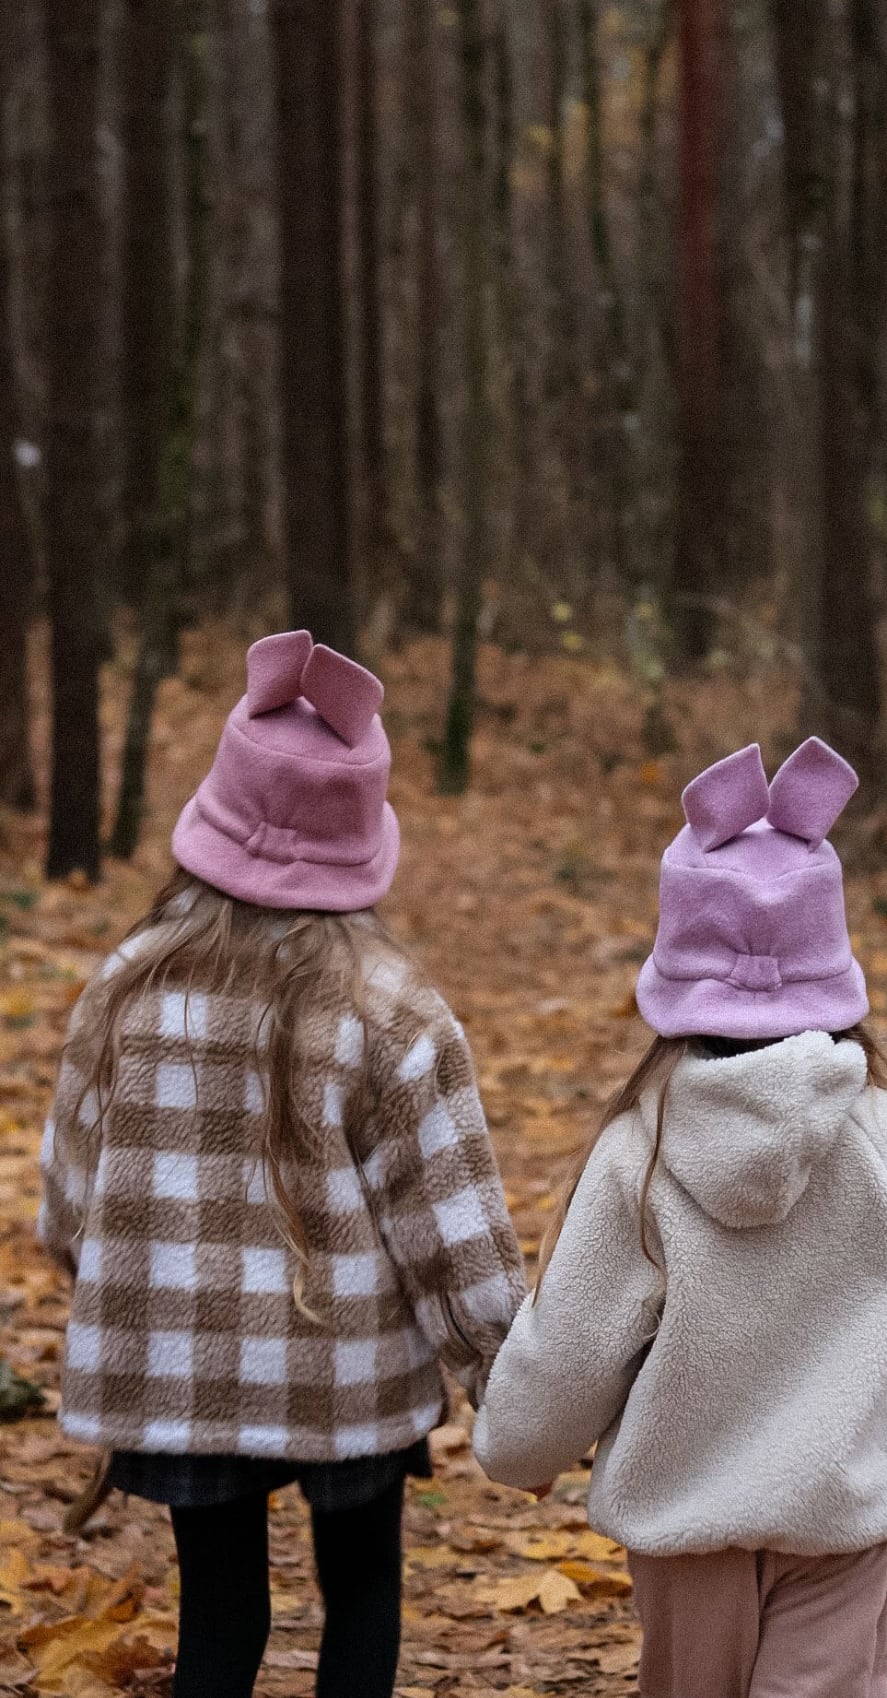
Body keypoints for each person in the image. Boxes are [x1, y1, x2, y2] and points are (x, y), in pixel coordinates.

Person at [40, 630, 525, 1698]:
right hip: (346, 1383)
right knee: (362, 1593)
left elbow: (70, 1196)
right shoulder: (392, 1009)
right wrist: (514, 1383)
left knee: (217, 1617)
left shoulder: (127, 989)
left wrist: (119, 1286)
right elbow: (451, 1230)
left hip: (181, 1375)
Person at [474, 738, 887, 1698]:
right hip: (838, 1509)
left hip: (685, 1524)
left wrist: (516, 1446)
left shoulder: (643, 1148)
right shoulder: (883, 1128)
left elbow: (574, 1341)